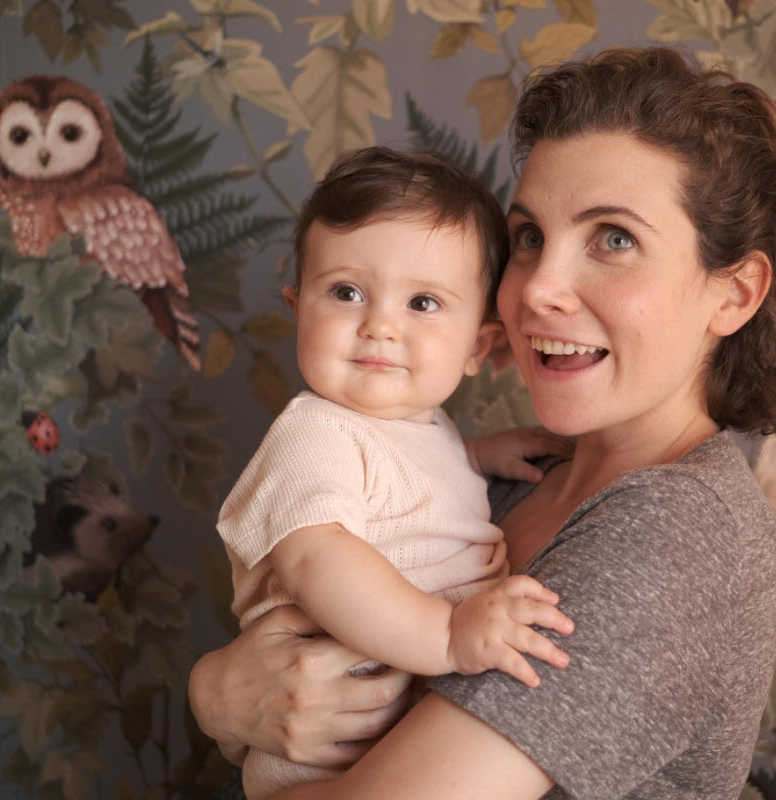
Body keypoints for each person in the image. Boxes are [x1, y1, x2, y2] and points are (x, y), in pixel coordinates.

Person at [190, 46, 776, 799]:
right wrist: (219, 694)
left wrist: (221, 703)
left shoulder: (678, 532)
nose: (537, 290)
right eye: (530, 237)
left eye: (614, 238)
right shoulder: (507, 480)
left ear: (734, 294)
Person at [217, 147, 575, 799]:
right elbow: (317, 559)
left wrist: (475, 455)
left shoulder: (421, 428)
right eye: (346, 292)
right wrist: (447, 636)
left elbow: (403, 482)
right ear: (298, 309)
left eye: (423, 302)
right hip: (324, 765)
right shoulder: (313, 433)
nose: (379, 325)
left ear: (477, 346)